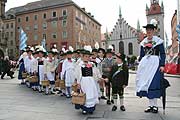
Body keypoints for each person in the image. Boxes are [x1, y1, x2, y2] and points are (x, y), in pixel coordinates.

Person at [136, 24, 166, 113]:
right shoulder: (143, 42)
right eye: (147, 30)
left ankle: (155, 106)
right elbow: (142, 55)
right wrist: (140, 63)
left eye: (150, 30)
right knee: (147, 83)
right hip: (146, 65)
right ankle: (150, 105)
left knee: (154, 83)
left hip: (155, 63)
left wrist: (162, 65)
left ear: (153, 31)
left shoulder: (158, 41)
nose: (148, 32)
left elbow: (163, 54)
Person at [74, 50, 100, 115]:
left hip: (91, 81)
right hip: (84, 81)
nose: (87, 58)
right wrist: (78, 83)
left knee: (91, 94)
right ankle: (84, 108)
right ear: (82, 57)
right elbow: (78, 74)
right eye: (86, 56)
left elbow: (96, 72)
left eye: (88, 56)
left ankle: (91, 108)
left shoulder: (92, 64)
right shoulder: (80, 65)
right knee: (84, 94)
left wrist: (98, 78)